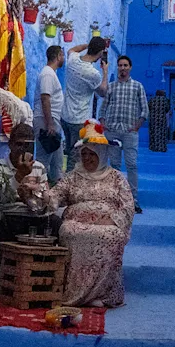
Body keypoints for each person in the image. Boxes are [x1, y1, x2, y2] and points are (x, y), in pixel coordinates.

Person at [44, 120, 135, 307]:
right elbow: (55, 195)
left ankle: (103, 294)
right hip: (75, 225)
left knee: (112, 235)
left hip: (109, 226)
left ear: (101, 154)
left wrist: (109, 221)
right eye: (83, 154)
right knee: (68, 230)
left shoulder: (117, 178)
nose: (87, 158)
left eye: (92, 154)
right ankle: (75, 292)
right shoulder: (72, 177)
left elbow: (127, 206)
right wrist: (43, 194)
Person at [98, 55, 148, 213]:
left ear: (130, 67)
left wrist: (136, 127)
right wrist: (104, 124)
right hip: (112, 131)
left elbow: (145, 110)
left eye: (126, 65)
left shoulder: (137, 86)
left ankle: (133, 200)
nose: (123, 68)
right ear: (117, 67)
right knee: (114, 166)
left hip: (129, 132)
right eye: (120, 65)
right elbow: (103, 108)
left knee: (132, 165)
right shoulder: (111, 87)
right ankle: (116, 199)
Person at [60, 37, 108, 172]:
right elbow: (103, 92)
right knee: (76, 156)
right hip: (79, 119)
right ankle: (70, 185)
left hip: (65, 116)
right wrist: (105, 72)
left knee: (69, 151)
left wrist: (89, 45)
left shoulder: (73, 60)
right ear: (100, 53)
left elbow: (72, 49)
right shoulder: (93, 74)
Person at [0, 123, 49, 208]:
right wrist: (19, 176)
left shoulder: (39, 167)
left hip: (33, 214)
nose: (22, 148)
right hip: (8, 214)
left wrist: (34, 191)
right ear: (10, 144)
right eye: (19, 144)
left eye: (27, 145)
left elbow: (45, 200)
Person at [33, 45, 65, 183]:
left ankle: (57, 189)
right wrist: (49, 123)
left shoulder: (51, 74)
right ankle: (36, 190)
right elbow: (45, 98)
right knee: (43, 160)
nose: (64, 58)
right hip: (46, 121)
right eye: (62, 55)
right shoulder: (47, 74)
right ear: (58, 56)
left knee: (57, 160)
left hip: (52, 121)